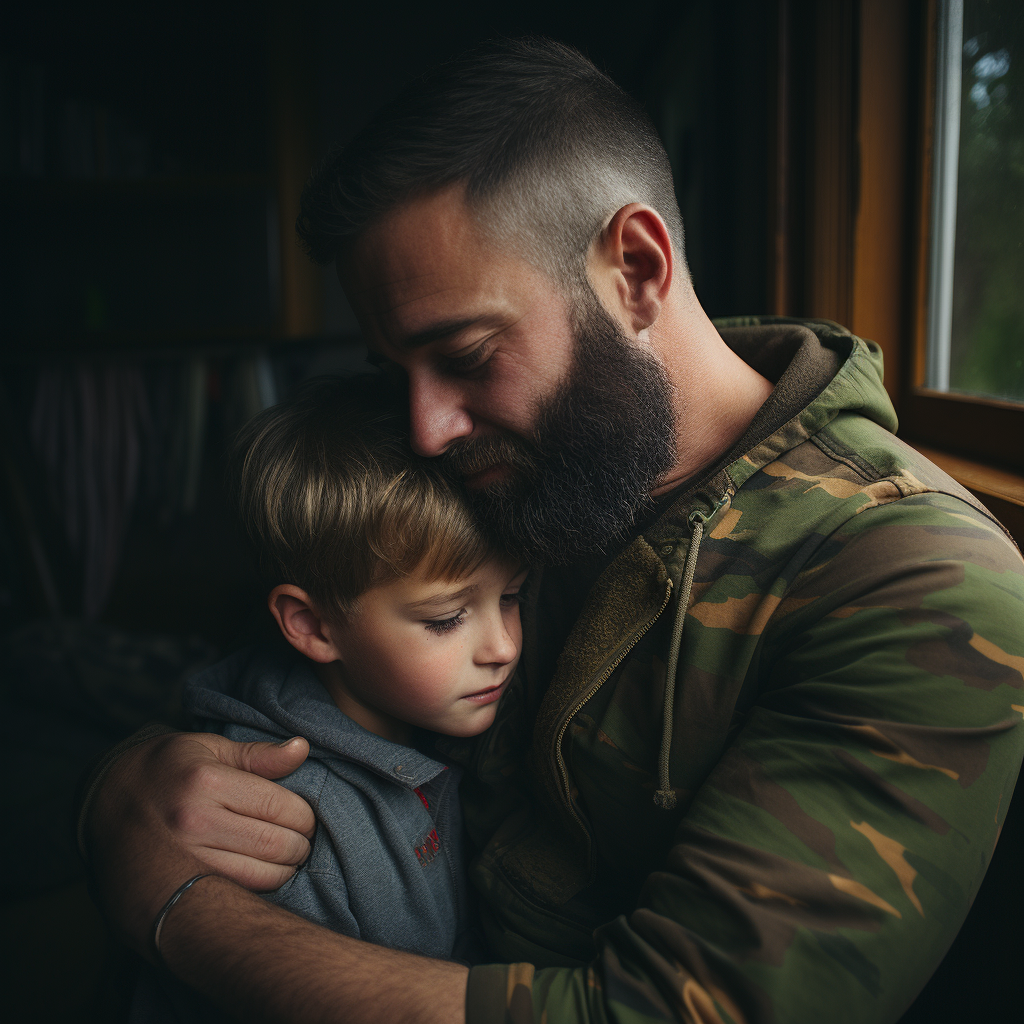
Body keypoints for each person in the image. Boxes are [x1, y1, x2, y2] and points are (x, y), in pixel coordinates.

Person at [81, 38, 1024, 1024]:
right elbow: (293, 663)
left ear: (635, 267)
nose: (425, 429)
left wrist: (173, 906)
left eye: (466, 354)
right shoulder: (526, 450)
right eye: (396, 370)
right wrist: (118, 788)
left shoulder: (916, 583)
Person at [132, 375, 525, 1021]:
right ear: (313, 626)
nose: (503, 645)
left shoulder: (441, 706)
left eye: (511, 597)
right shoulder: (281, 828)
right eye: (446, 618)